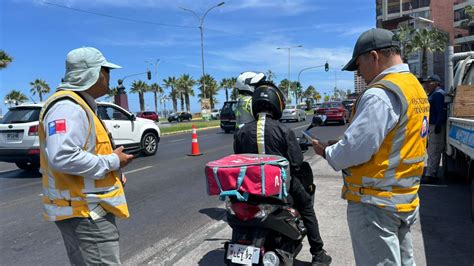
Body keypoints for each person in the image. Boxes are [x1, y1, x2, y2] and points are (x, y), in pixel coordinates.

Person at [312, 28, 429, 265]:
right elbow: (394, 140)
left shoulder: (379, 94)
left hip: (375, 202)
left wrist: (326, 151)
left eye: (359, 66)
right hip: (403, 198)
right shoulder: (413, 87)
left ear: (374, 56)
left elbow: (355, 150)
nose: (360, 74)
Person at [39, 47, 134, 265]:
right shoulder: (68, 107)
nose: (109, 77)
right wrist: (113, 161)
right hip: (84, 212)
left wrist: (114, 172)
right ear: (96, 73)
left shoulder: (81, 105)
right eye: (106, 71)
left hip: (84, 209)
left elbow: (84, 152)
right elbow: (63, 156)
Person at [234, 82, 332, 266]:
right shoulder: (284, 130)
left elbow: (238, 159)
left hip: (250, 187)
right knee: (307, 208)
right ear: (277, 104)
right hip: (280, 185)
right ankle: (318, 253)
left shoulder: (242, 132)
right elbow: (296, 163)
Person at [422, 74, 447, 183]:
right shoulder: (433, 93)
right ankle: (430, 172)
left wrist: (438, 124)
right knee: (431, 150)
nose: (427, 84)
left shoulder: (438, 94)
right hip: (432, 125)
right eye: (426, 82)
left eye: (429, 82)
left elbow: (441, 111)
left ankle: (431, 175)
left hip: (436, 125)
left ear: (437, 83)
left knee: (434, 149)